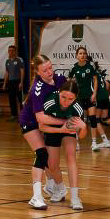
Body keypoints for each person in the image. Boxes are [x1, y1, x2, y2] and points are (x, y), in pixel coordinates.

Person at [19, 55, 69, 210]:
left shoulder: (60, 79)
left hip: (47, 122)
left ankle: (58, 188)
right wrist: (64, 122)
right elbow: (40, 118)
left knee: (50, 160)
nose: (49, 72)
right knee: (41, 153)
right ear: (37, 72)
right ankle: (36, 196)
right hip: (29, 122)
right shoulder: (38, 90)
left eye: (50, 67)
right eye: (45, 70)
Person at [38, 80, 87, 210]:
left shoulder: (77, 107)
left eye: (70, 99)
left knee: (71, 157)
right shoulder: (50, 102)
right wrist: (60, 129)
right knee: (52, 164)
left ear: (75, 98)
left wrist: (83, 127)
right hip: (52, 129)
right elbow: (42, 126)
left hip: (69, 130)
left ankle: (75, 198)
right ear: (59, 92)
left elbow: (81, 136)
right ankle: (60, 189)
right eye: (63, 97)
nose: (66, 101)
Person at [88, 60, 110, 151]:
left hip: (99, 97)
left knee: (96, 120)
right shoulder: (98, 73)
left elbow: (93, 86)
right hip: (105, 97)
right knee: (103, 120)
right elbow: (107, 85)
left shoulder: (91, 74)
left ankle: (105, 140)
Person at [3, 45, 25, 121]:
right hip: (10, 82)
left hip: (18, 81)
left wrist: (21, 82)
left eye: (12, 50)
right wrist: (4, 83)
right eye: (9, 51)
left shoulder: (19, 59)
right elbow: (7, 72)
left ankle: (23, 116)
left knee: (20, 99)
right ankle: (14, 115)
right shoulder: (7, 61)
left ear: (15, 51)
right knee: (11, 99)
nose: (11, 52)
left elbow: (22, 71)